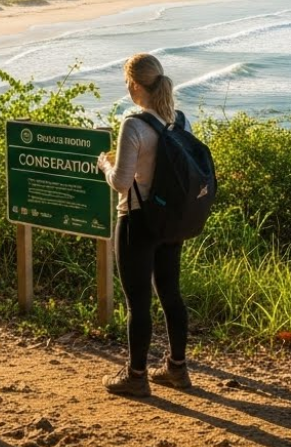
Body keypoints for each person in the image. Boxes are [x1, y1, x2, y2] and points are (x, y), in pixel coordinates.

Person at [96, 53, 192, 397]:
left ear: (136, 85)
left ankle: (136, 376)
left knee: (138, 304)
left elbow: (122, 182)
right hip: (171, 221)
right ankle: (177, 370)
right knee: (171, 296)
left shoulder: (133, 125)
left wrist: (103, 164)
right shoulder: (179, 120)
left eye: (127, 83)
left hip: (137, 220)